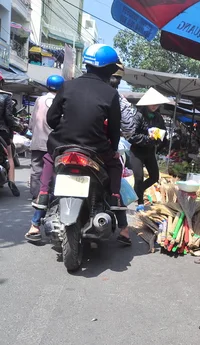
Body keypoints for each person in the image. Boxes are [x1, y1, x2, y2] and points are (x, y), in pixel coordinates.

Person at [34, 44, 130, 243]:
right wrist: (113, 150)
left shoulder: (67, 86)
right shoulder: (111, 94)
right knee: (115, 164)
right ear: (109, 69)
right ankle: (113, 197)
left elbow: (52, 119)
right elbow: (114, 128)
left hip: (63, 144)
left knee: (49, 159)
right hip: (96, 148)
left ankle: (43, 194)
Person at [25, 75, 64, 242]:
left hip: (38, 142)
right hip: (54, 145)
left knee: (36, 171)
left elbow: (33, 122)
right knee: (55, 174)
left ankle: (36, 197)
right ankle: (51, 198)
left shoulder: (40, 100)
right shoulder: (62, 101)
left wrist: (32, 131)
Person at [129, 87, 167, 212]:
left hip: (150, 151)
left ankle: (138, 191)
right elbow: (132, 135)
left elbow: (163, 133)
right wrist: (147, 138)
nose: (155, 105)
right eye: (153, 102)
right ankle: (140, 202)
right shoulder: (138, 115)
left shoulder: (158, 117)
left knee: (155, 177)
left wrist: (158, 137)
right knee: (138, 178)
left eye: (157, 103)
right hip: (137, 152)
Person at [0, 81, 22, 196]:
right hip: (3, 131)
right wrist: (16, 126)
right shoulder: (6, 96)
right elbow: (8, 116)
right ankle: (12, 182)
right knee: (9, 157)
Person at [109, 63, 136, 138]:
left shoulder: (85, 91)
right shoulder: (120, 100)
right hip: (104, 145)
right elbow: (129, 130)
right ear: (119, 81)